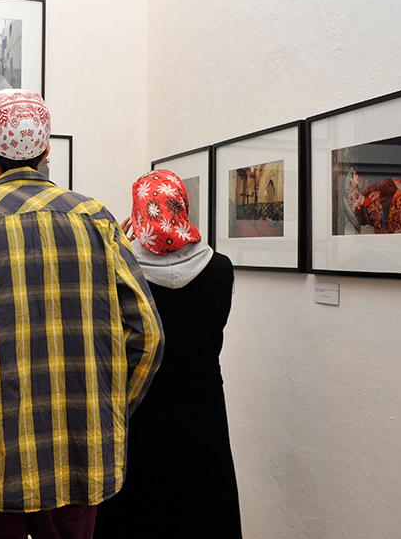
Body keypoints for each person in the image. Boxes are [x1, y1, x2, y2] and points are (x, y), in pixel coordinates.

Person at [0, 89, 164, 539]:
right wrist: (109, 412)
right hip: (81, 460)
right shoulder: (97, 218)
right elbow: (149, 336)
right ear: (46, 151)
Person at [93, 169, 242, 538]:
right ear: (182, 206)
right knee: (202, 513)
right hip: (202, 412)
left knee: (136, 515)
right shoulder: (220, 268)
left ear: (140, 209)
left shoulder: (121, 270)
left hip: (139, 409)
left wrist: (119, 245)